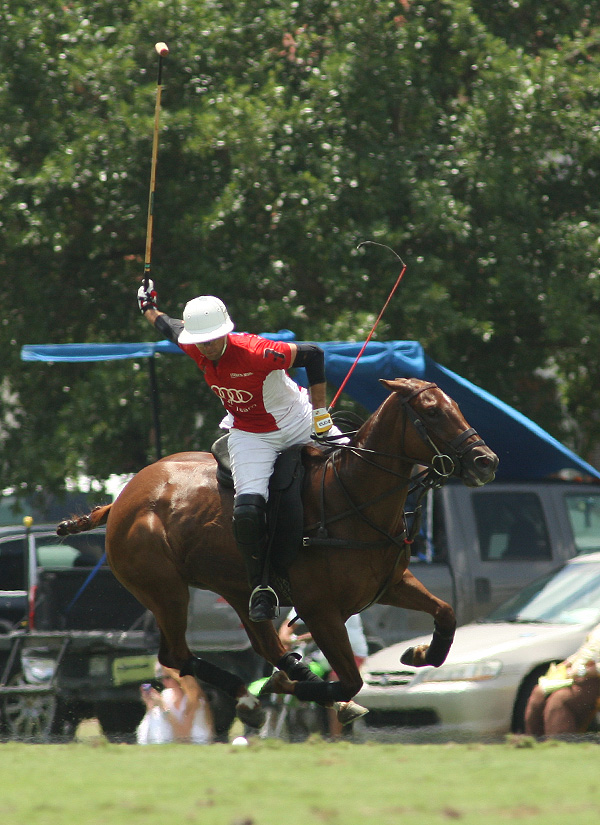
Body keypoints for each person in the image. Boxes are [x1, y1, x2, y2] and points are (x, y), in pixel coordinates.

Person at [137, 281, 341, 622]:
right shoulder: (195, 347)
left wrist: (320, 413)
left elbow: (314, 354)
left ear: (227, 331)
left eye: (214, 338)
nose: (209, 346)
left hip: (299, 421)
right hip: (251, 435)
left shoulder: (258, 351)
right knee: (247, 510)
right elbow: (167, 325)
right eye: (202, 340)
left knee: (359, 468)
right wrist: (147, 305)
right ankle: (262, 587)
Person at [278, 610, 368, 738]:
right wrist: (285, 640)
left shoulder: (344, 599)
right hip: (325, 656)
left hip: (351, 654)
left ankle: (335, 737)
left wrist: (300, 638)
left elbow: (330, 630)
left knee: (336, 683)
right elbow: (287, 626)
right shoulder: (304, 600)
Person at [524, 622, 600, 737]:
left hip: (593, 680)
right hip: (576, 676)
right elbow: (585, 651)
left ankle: (560, 747)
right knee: (539, 693)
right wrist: (567, 663)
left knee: (559, 701)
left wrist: (583, 672)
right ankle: (535, 744)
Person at [136, 662, 214, 744]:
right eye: (161, 678)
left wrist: (162, 705)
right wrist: (150, 705)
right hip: (173, 743)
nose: (164, 682)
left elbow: (184, 737)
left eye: (168, 677)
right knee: (154, 715)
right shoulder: (166, 694)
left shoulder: (193, 699)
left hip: (194, 743)